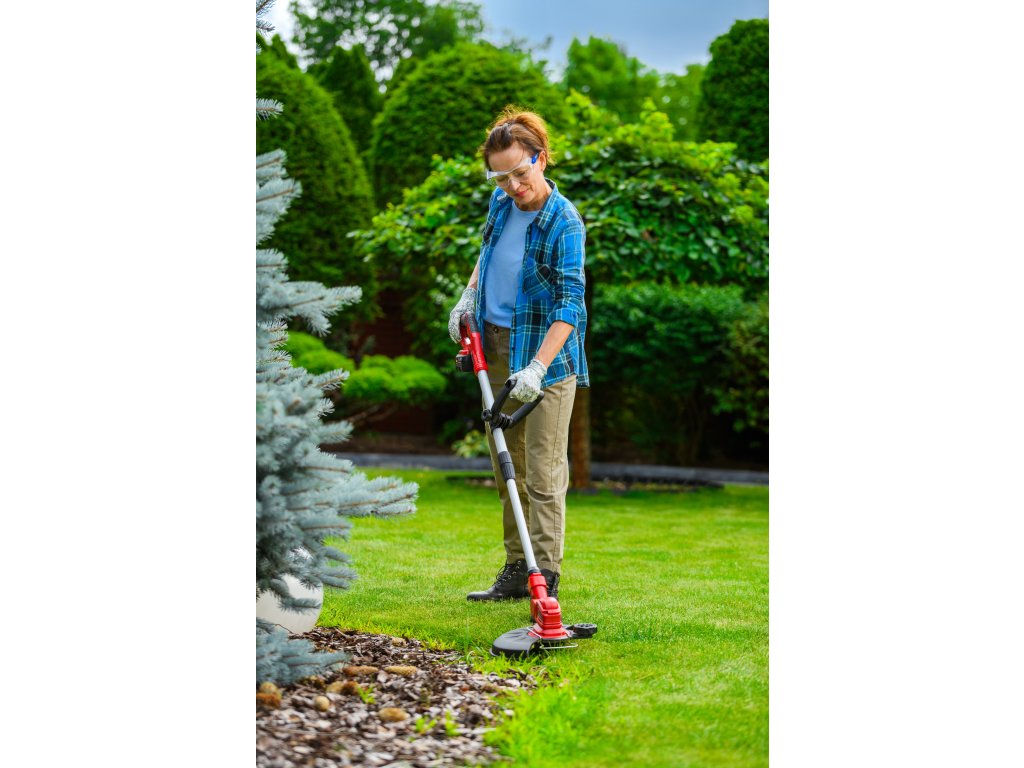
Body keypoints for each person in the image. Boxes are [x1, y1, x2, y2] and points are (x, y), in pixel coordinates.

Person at [447, 107, 589, 602]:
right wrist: (468, 296)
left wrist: (538, 367)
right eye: (501, 177)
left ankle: (544, 576)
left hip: (545, 357)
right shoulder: (501, 203)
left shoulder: (564, 221)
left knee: (543, 473)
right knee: (507, 466)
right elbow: (487, 255)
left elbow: (570, 304)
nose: (512, 185)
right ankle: (515, 568)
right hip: (495, 346)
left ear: (541, 158)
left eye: (520, 173)